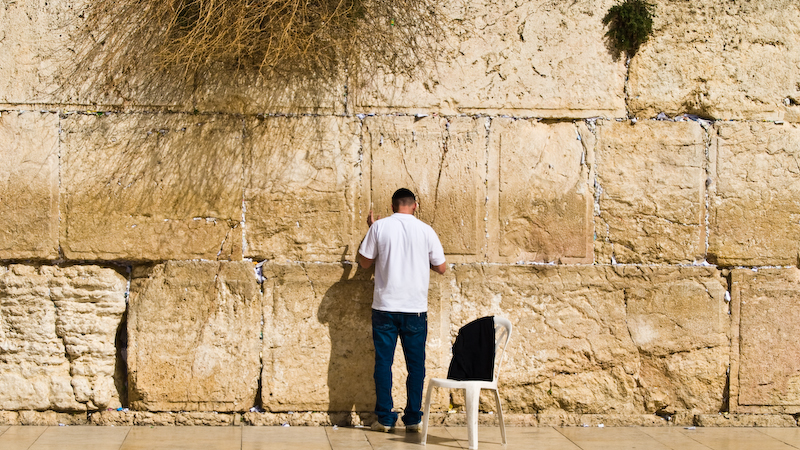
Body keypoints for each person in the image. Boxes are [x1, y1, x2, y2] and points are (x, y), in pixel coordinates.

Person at [358, 188, 447, 433]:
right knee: (416, 366)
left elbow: (365, 262)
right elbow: (441, 267)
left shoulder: (379, 227)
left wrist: (371, 230)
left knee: (383, 363)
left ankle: (385, 419)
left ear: (392, 205)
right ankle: (413, 419)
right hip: (415, 309)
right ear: (415, 205)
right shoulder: (426, 231)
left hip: (385, 307)